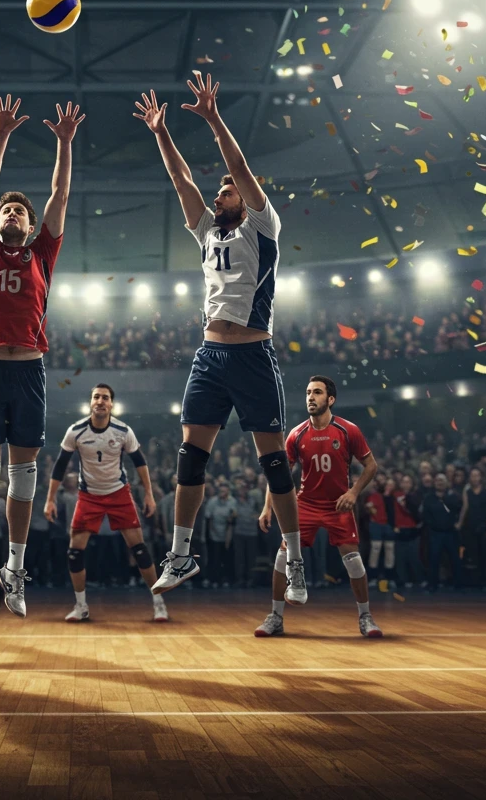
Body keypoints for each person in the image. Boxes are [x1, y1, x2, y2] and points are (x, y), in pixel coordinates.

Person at [133, 80, 307, 603]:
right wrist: (162, 132)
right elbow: (181, 178)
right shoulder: (208, 230)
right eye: (221, 191)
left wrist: (211, 118)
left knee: (273, 460)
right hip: (210, 356)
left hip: (253, 353)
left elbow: (243, 170)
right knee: (190, 455)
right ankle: (181, 554)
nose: (220, 193)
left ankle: (295, 561)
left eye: (227, 189)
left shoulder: (263, 224)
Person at [0, 95, 83, 619]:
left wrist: (63, 142)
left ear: (32, 224)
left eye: (20, 210)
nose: (11, 212)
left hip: (29, 369)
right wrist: (1, 134)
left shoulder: (42, 252)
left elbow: (60, 192)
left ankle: (14, 572)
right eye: (7, 209)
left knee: (24, 473)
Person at [257, 376, 381, 638]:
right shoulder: (296, 434)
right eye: (308, 392)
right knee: (283, 557)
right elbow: (278, 476)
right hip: (306, 505)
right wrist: (267, 508)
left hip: (339, 506)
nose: (310, 397)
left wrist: (353, 492)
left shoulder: (349, 430)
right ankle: (276, 617)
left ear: (330, 399)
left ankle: (366, 617)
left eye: (317, 393)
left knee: (354, 563)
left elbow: (371, 466)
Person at [44, 384, 168, 623]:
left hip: (118, 493)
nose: (100, 401)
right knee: (74, 553)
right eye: (96, 397)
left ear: (112, 404)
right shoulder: (76, 431)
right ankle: (81, 607)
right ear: (91, 402)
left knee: (140, 550)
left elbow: (140, 463)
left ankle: (159, 603)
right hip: (89, 496)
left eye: (105, 398)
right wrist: (50, 499)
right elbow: (60, 466)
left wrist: (149, 495)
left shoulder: (123, 430)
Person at [424, 473, 465, 592]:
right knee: (434, 559)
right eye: (437, 480)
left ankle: (458, 584)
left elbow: (460, 510)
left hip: (451, 533)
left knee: (455, 559)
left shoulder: (453, 496)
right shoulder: (429, 497)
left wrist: (457, 524)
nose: (439, 482)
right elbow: (425, 515)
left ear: (446, 482)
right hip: (435, 533)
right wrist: (432, 525)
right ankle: (432, 584)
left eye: (442, 480)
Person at [365, 477, 398, 591]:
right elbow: (370, 508)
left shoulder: (394, 497)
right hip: (377, 525)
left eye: (390, 484)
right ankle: (373, 578)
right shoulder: (375, 496)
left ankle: (389, 578)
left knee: (389, 549)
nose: (388, 486)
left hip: (388, 525)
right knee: (376, 549)